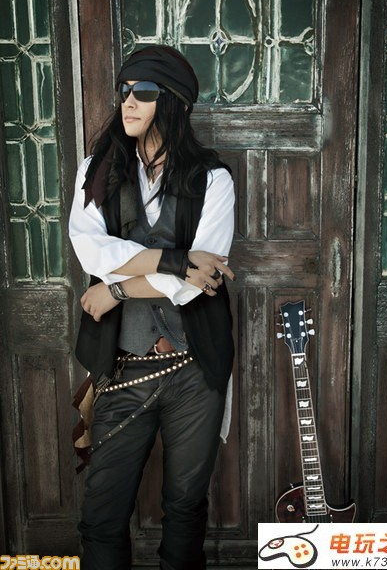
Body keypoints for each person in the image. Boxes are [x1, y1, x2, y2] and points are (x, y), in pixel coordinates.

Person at [68, 44, 236, 570]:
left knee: (185, 507)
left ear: (175, 104)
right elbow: (92, 252)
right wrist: (174, 260)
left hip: (195, 370)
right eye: (124, 91)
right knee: (101, 516)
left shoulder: (213, 179)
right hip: (123, 368)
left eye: (143, 92)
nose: (128, 101)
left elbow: (199, 284)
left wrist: (117, 289)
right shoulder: (96, 171)